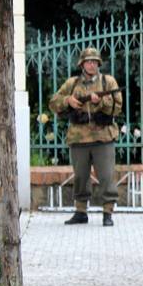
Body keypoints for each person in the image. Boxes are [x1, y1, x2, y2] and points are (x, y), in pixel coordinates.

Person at [49, 47, 123, 227]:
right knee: (81, 176)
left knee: (106, 176)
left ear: (99, 63)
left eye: (94, 61)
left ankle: (108, 212)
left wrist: (102, 101)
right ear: (82, 64)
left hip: (103, 136)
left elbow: (117, 107)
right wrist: (68, 101)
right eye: (88, 61)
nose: (91, 64)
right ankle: (81, 211)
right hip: (79, 137)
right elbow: (53, 103)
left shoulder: (108, 82)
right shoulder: (72, 84)